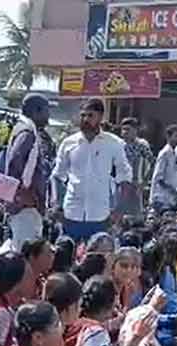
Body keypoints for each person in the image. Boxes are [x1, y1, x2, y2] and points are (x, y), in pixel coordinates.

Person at [51, 99, 132, 243]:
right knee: (66, 258)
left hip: (100, 215)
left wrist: (119, 210)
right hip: (71, 213)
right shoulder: (68, 143)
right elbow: (57, 176)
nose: (85, 120)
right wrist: (56, 205)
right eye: (83, 115)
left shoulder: (114, 143)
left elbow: (125, 177)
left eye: (90, 115)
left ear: (101, 117)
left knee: (96, 260)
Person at [4, 96, 54, 249]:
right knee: (26, 253)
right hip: (25, 208)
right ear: (36, 111)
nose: (48, 116)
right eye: (47, 111)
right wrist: (23, 194)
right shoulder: (27, 132)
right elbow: (14, 162)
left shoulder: (25, 128)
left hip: (25, 206)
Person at [117, 117, 153, 220]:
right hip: (121, 184)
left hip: (135, 185)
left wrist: (144, 183)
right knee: (119, 214)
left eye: (128, 129)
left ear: (135, 130)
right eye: (123, 129)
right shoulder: (119, 145)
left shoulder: (141, 145)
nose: (124, 132)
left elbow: (152, 163)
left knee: (136, 215)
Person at [150, 123, 177, 214]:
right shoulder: (164, 154)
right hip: (162, 198)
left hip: (172, 199)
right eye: (176, 136)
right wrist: (173, 190)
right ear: (168, 137)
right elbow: (159, 178)